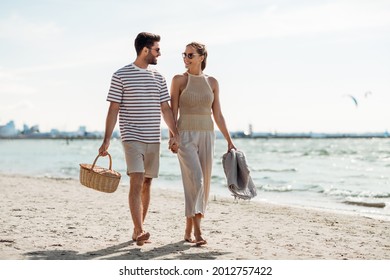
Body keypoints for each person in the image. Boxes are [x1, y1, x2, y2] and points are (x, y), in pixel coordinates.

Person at [98, 32, 180, 246]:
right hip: (131, 136)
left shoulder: (158, 77)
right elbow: (113, 109)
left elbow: (166, 109)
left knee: (147, 183)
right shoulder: (121, 75)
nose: (159, 54)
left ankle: (137, 230)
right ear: (145, 50)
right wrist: (106, 139)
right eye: (157, 49)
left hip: (154, 137)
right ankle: (141, 229)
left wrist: (175, 134)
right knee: (137, 179)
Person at [169, 42, 236, 246]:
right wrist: (173, 136)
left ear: (202, 57)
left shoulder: (212, 82)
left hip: (207, 134)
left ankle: (188, 228)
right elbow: (173, 112)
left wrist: (229, 140)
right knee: (195, 179)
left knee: (202, 183)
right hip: (185, 136)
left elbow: (218, 114)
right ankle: (198, 231)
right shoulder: (179, 80)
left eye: (190, 55)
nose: (186, 58)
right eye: (185, 54)